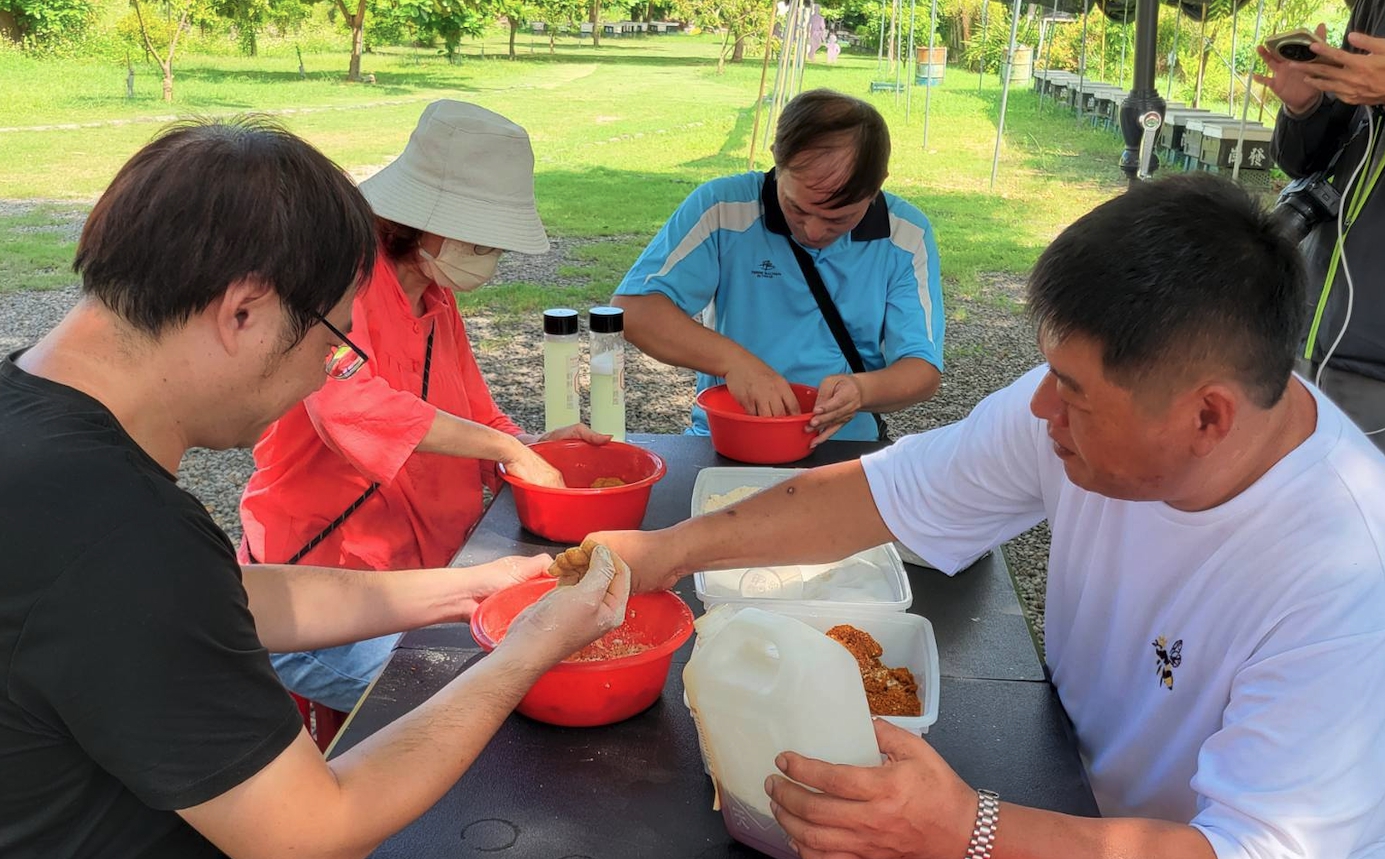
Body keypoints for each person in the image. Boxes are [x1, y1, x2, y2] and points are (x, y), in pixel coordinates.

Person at [593, 174, 1385, 858]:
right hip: (1083, 801)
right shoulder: (1074, 415)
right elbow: (884, 491)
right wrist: (665, 551)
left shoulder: (1351, 577)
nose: (1040, 410)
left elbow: (1250, 848)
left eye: (1072, 391)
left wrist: (968, 829)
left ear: (1206, 417)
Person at [0, 118, 627, 859]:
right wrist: (522, 654)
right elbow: (309, 832)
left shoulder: (39, 433)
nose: (320, 374)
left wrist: (473, 588)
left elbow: (221, 598)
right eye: (331, 343)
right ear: (244, 311)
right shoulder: (123, 536)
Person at [238, 100, 608, 714]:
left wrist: (532, 449)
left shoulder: (434, 296)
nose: (487, 255)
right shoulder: (341, 280)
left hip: (421, 571)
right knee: (458, 702)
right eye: (478, 238)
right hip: (323, 577)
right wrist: (502, 447)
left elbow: (480, 413)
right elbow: (350, 409)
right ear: (418, 221)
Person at [1260, 0, 1385, 773]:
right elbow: (1322, 158)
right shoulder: (1383, 5)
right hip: (1320, 330)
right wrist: (1308, 104)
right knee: (1297, 548)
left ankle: (1374, 788)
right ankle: (1287, 752)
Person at [611, 88, 944, 445]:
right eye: (797, 208)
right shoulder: (723, 208)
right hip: (729, 440)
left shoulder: (905, 234)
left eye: (840, 217)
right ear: (777, 160)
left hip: (843, 448)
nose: (814, 231)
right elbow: (633, 310)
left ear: (878, 186)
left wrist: (861, 390)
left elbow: (922, 368)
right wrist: (734, 362)